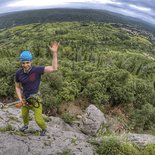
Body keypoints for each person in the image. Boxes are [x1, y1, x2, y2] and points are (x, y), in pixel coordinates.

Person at [15, 41, 59, 136]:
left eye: (27, 62)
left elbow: (54, 68)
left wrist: (54, 53)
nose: (25, 65)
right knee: (24, 115)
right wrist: (20, 99)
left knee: (38, 119)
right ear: (21, 62)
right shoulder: (18, 73)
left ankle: (43, 128)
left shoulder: (37, 70)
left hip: (35, 99)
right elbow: (17, 87)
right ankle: (25, 125)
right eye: (23, 63)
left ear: (31, 62)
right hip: (25, 99)